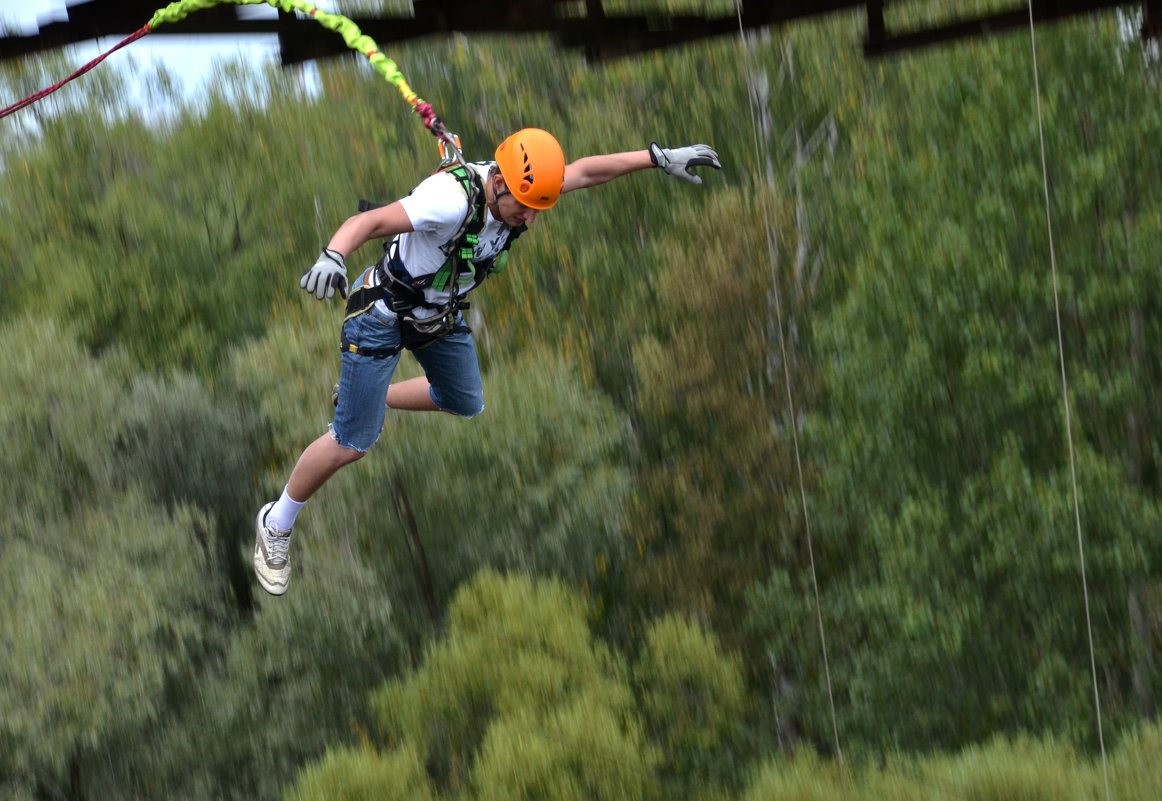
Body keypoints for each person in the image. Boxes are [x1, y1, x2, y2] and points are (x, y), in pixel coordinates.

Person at [253, 128, 721, 596]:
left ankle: (368, 398)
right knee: (352, 443)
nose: (529, 220)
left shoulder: (523, 192)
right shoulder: (448, 199)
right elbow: (373, 222)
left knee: (464, 399)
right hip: (381, 314)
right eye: (523, 207)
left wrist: (656, 158)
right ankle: (276, 523)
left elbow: (586, 171)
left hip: (437, 317)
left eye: (537, 211)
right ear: (498, 181)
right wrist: (334, 254)